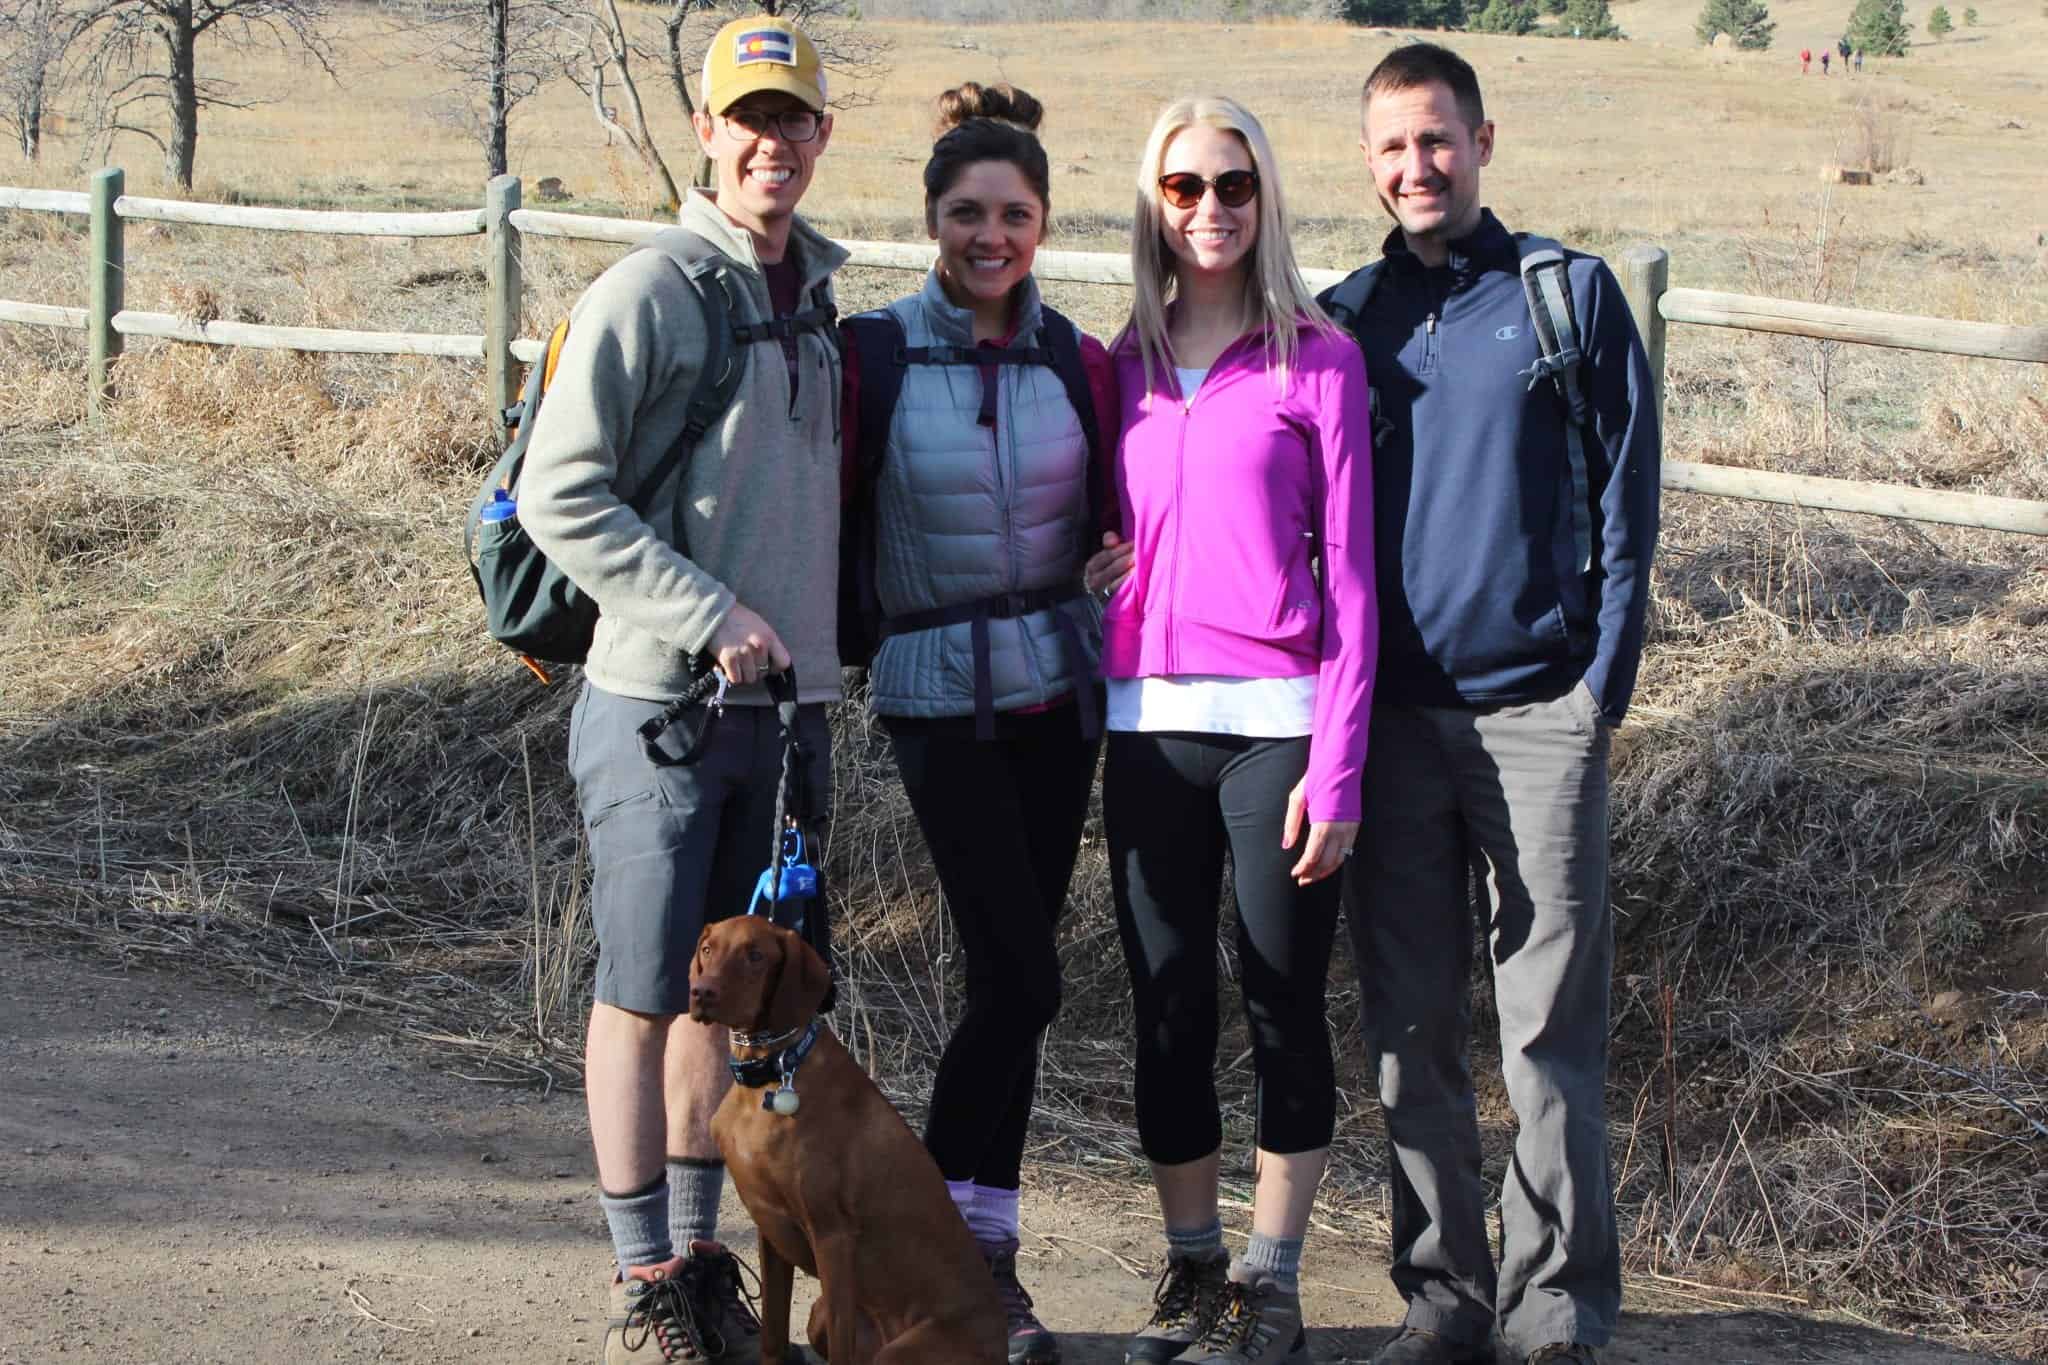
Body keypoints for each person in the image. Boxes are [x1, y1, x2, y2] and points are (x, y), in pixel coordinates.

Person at [1317, 42, 1659, 1365]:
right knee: (1410, 1034)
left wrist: (1594, 695)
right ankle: (1445, 1305)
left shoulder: (1565, 299)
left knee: (1550, 1035)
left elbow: (1629, 510)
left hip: (1537, 722)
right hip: (1391, 730)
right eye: (1395, 145)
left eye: (1439, 140)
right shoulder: (1347, 322)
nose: (1418, 166)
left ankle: (1558, 1313)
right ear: (1369, 160)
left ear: (1485, 140)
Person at [518, 15, 846, 1364]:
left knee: (729, 997)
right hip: (657, 710)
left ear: (824, 138)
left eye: (795, 121)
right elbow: (556, 491)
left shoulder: (817, 302)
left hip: (781, 715)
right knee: (647, 990)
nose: (772, 143)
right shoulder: (649, 290)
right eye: (747, 120)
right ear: (706, 133)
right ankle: (642, 1279)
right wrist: (708, 612)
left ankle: (702, 1258)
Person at [1083, 94, 1377, 1365]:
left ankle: (1274, 1282)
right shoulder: (1117, 367)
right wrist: (1099, 567)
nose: (1210, 209)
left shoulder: (1319, 357)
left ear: (1267, 199)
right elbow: (1095, 524)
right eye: (1185, 186)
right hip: (1144, 725)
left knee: (1279, 1005)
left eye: (1234, 185)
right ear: (1153, 201)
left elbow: (1357, 579)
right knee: (1164, 1008)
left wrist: (1341, 763)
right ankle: (1193, 1270)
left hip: (1278, 731)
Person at [838, 80, 1118, 1365]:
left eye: (1010, 213)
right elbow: (826, 518)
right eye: (964, 213)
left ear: (1043, 221)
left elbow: (1125, 510)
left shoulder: (1079, 359)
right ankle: (949, 1267)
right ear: (930, 221)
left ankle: (971, 1262)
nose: (986, 236)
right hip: (935, 693)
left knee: (1015, 981)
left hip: (1063, 690)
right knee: (1022, 974)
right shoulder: (874, 355)